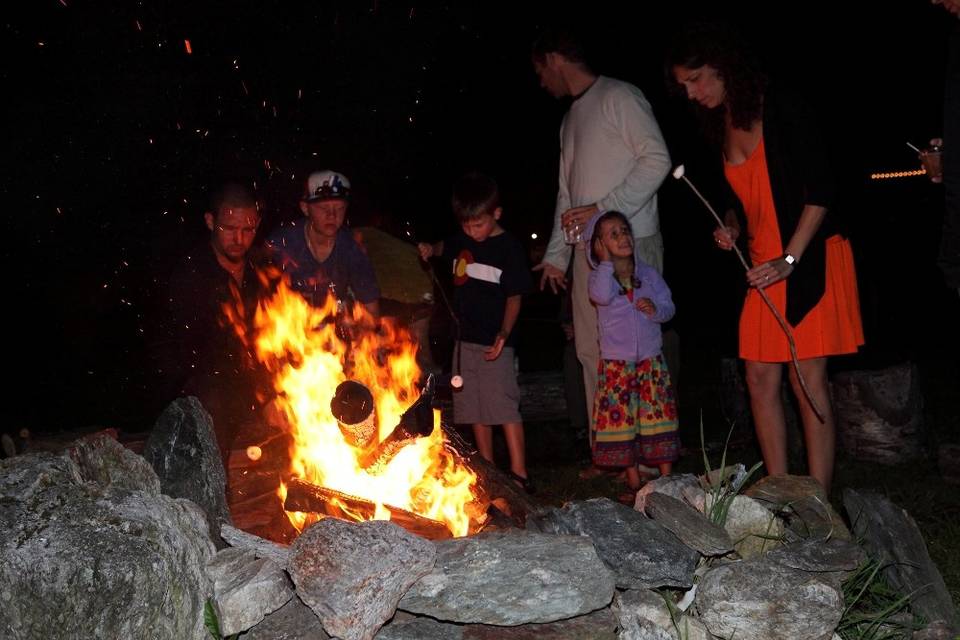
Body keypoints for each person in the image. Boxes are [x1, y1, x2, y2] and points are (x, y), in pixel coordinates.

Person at [668, 22, 864, 493]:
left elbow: (821, 192)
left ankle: (817, 500)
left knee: (806, 380)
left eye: (696, 80)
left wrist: (790, 260)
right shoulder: (719, 123)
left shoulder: (782, 105)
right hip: (763, 268)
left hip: (808, 260)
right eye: (683, 86)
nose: (692, 93)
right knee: (757, 376)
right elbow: (740, 195)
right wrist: (732, 224)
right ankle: (780, 493)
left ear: (722, 66)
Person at [530, 26, 672, 473]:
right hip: (586, 255)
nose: (540, 81)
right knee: (593, 351)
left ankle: (648, 453)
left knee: (637, 349)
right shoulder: (571, 118)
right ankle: (610, 451)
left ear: (554, 58)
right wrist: (556, 253)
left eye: (540, 70)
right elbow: (566, 195)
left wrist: (604, 209)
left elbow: (658, 160)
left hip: (632, 243)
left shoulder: (620, 96)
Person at [418, 171, 534, 491]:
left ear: (495, 214)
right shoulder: (464, 239)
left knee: (504, 407)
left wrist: (503, 335)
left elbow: (514, 297)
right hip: (464, 341)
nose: (471, 231)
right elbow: (446, 247)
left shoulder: (508, 248)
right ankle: (489, 472)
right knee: (475, 408)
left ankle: (520, 473)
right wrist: (431, 248)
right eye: (466, 225)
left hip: (495, 342)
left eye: (478, 224)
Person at [155, 180, 268, 470]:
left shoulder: (264, 271)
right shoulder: (191, 275)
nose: (239, 239)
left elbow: (274, 336)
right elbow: (189, 357)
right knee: (215, 399)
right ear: (210, 222)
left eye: (248, 230)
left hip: (255, 379)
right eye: (229, 229)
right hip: (207, 384)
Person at [585, 211, 679, 500]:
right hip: (618, 364)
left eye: (624, 230)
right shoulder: (601, 278)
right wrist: (603, 264)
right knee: (622, 422)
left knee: (657, 417)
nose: (622, 236)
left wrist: (656, 310)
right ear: (599, 244)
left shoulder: (649, 274)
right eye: (612, 234)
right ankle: (633, 480)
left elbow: (669, 307)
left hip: (650, 361)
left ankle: (668, 477)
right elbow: (600, 296)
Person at [267, 170, 380, 318]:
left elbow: (372, 312)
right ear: (305, 208)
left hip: (335, 331)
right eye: (323, 208)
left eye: (339, 208)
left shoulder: (352, 248)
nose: (332, 215)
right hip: (293, 329)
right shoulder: (281, 243)